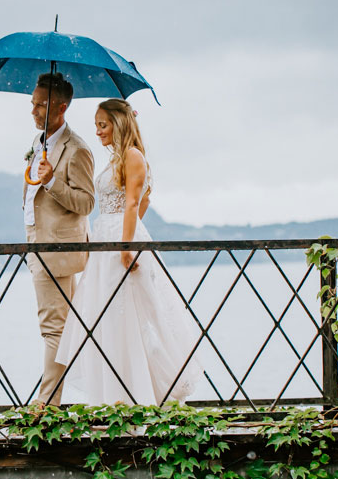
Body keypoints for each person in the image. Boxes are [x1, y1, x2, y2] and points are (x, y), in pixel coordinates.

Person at [55, 99, 203, 405]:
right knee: (107, 318)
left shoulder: (134, 157)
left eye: (103, 124)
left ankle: (141, 396)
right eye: (96, 125)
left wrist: (127, 245)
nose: (97, 131)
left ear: (119, 123)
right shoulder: (115, 160)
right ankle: (115, 397)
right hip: (105, 240)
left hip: (121, 243)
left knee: (132, 318)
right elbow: (140, 201)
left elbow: (137, 203)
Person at [23, 72, 95, 406]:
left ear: (62, 107)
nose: (34, 111)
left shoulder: (77, 149)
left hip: (57, 250)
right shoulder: (39, 144)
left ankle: (46, 406)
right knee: (63, 327)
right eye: (33, 103)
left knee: (53, 328)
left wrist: (52, 183)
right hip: (38, 245)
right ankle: (85, 389)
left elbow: (86, 203)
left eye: (41, 104)